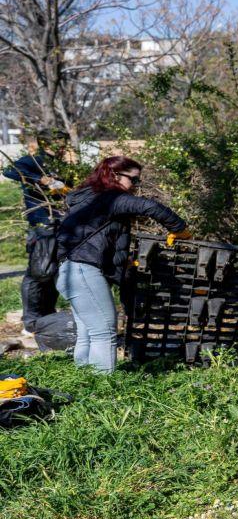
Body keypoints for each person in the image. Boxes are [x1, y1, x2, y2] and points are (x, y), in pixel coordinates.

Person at [55, 156, 189, 373]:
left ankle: (84, 380)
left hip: (69, 271)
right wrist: (179, 229)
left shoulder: (88, 198)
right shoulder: (111, 198)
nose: (136, 185)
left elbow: (98, 239)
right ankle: (102, 386)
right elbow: (150, 206)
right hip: (84, 271)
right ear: (115, 175)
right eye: (133, 180)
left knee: (88, 332)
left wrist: (120, 260)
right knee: (104, 331)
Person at [3, 130, 69, 333]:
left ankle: (47, 316)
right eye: (60, 143)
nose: (64, 147)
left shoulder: (62, 166)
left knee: (54, 272)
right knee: (38, 272)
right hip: (41, 225)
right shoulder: (34, 161)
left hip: (61, 225)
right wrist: (40, 179)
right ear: (47, 144)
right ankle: (31, 321)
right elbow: (9, 171)